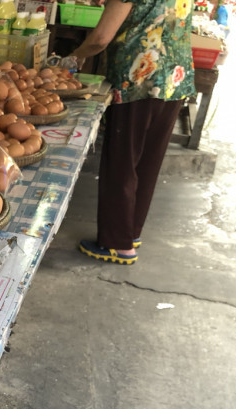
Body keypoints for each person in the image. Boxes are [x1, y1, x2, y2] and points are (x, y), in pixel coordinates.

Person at [68, 0, 196, 265]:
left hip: (138, 79)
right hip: (174, 80)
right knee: (147, 163)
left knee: (122, 163)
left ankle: (117, 244)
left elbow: (101, 37)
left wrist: (75, 55)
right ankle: (130, 233)